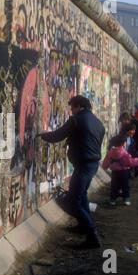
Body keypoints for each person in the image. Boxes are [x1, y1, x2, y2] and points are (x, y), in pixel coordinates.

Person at [40, 95, 105, 249]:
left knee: (72, 201)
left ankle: (92, 234)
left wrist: (42, 135)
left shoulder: (76, 120)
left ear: (78, 106)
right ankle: (83, 226)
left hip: (83, 165)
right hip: (92, 164)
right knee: (81, 196)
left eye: (72, 107)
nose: (71, 110)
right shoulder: (98, 122)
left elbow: (58, 135)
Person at [102, 135, 138, 207]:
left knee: (114, 186)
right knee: (125, 186)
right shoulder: (124, 153)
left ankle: (112, 200)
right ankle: (126, 199)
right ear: (123, 143)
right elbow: (129, 162)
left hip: (114, 173)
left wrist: (105, 167)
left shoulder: (110, 152)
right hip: (124, 172)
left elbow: (105, 163)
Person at [119, 112, 138, 177]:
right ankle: (130, 171)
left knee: (134, 156)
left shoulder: (136, 123)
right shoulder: (125, 126)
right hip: (130, 143)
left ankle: (135, 168)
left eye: (123, 121)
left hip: (136, 143)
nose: (122, 122)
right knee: (129, 157)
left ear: (127, 119)